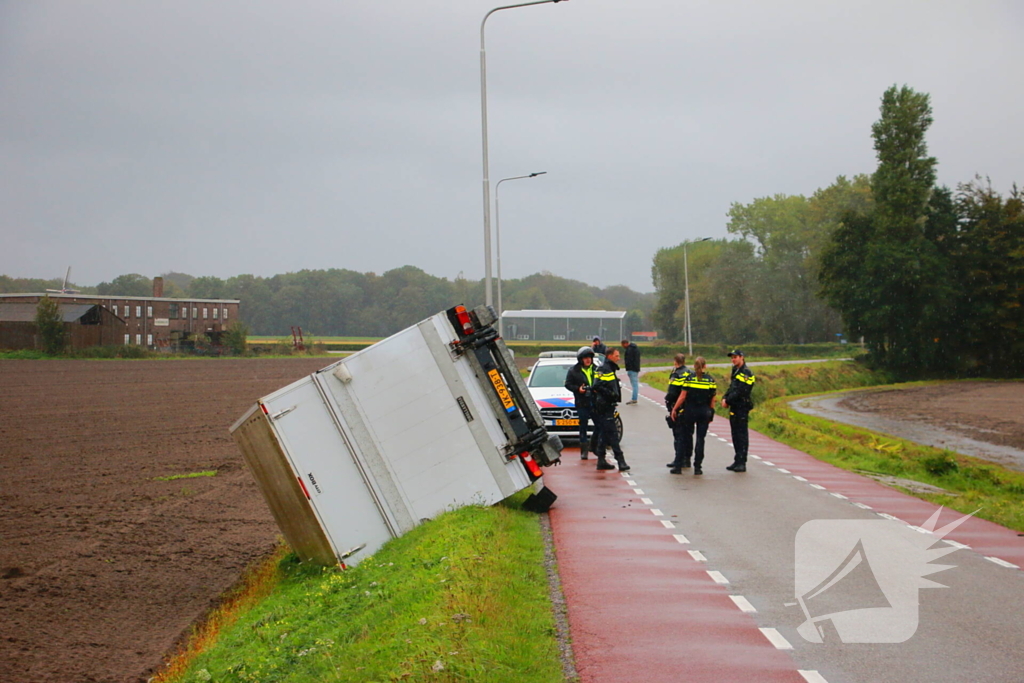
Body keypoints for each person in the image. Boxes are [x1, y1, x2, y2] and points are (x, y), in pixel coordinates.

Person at [670, 356, 716, 476]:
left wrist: (675, 409)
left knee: (683, 437)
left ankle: (678, 466)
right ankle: (698, 467)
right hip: (704, 411)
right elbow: (712, 399)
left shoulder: (690, 378)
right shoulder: (710, 380)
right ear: (705, 366)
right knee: (700, 440)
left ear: (694, 366)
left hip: (690, 411)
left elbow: (683, 396)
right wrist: (711, 412)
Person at [592, 347, 629, 471]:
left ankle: (601, 460)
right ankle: (621, 461)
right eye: (616, 356)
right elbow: (596, 385)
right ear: (609, 356)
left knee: (604, 432)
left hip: (608, 404)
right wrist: (611, 394)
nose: (618, 358)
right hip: (604, 405)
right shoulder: (603, 369)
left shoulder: (610, 368)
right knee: (613, 434)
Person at [721, 349, 755, 472]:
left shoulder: (746, 373)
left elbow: (742, 391)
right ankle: (737, 460)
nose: (733, 360)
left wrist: (728, 400)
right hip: (734, 406)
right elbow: (732, 387)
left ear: (742, 357)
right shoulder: (735, 370)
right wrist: (725, 397)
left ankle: (742, 462)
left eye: (735, 357)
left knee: (741, 435)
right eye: (732, 358)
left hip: (742, 407)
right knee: (735, 434)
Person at [564, 346, 601, 460]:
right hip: (582, 402)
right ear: (581, 359)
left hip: (595, 402)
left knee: (599, 425)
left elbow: (602, 382)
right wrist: (578, 389)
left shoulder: (597, 369)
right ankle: (584, 451)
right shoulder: (573, 371)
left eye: (589, 357)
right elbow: (568, 384)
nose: (588, 360)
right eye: (585, 358)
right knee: (583, 426)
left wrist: (598, 389)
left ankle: (593, 445)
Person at [663, 353, 691, 470]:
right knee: (688, 434)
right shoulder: (689, 372)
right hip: (688, 407)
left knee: (678, 434)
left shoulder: (676, 374)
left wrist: (668, 401)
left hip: (677, 406)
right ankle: (687, 459)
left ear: (675, 361)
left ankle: (678, 459)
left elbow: (673, 392)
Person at [621, 339, 642, 404]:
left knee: (634, 385)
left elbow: (629, 360)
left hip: (632, 369)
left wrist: (628, 367)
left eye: (622, 345)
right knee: (635, 384)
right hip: (635, 368)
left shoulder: (630, 350)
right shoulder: (635, 348)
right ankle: (634, 398)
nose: (622, 346)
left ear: (625, 343)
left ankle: (634, 399)